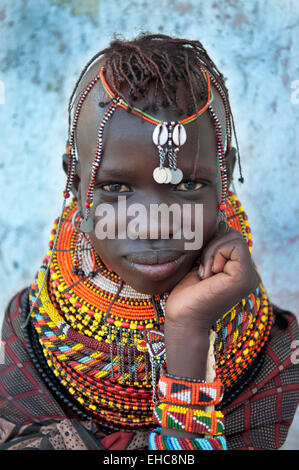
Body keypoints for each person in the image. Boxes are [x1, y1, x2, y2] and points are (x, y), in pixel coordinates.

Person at [0, 33, 298, 451]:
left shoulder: (274, 352)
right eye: (117, 187)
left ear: (224, 177)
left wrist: (189, 328)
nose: (155, 225)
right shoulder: (26, 337)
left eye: (189, 183)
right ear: (76, 179)